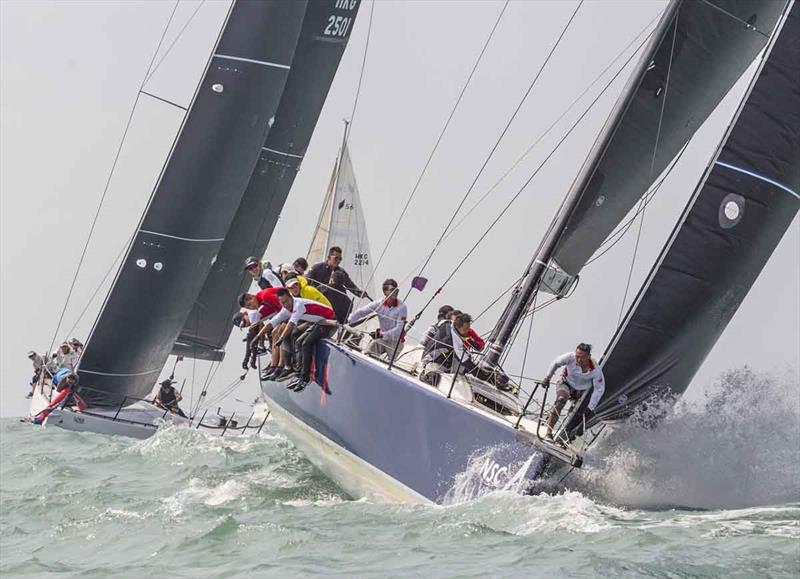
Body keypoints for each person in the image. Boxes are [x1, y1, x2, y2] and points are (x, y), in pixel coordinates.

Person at [263, 289, 336, 392]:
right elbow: (273, 321)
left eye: (286, 301)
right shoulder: (286, 308)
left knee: (306, 343)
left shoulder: (298, 305)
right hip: (318, 323)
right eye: (282, 303)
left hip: (329, 322)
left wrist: (282, 338)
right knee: (298, 342)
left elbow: (291, 324)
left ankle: (305, 378)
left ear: (291, 297)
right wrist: (258, 336)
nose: (285, 305)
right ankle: (298, 374)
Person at [421, 313, 508, 388]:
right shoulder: (455, 341)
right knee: (433, 379)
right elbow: (467, 363)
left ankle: (492, 377)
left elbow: (440, 324)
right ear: (458, 326)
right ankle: (424, 373)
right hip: (432, 361)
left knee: (463, 368)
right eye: (465, 329)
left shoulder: (448, 323)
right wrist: (484, 377)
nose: (467, 332)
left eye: (468, 329)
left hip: (445, 359)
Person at [542, 343, 605, 440]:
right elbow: (555, 363)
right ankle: (548, 433)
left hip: (581, 392)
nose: (579, 360)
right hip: (565, 383)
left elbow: (599, 389)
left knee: (579, 415)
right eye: (577, 356)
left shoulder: (595, 370)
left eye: (582, 357)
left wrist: (590, 408)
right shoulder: (570, 357)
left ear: (589, 356)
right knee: (561, 400)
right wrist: (548, 378)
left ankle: (565, 440)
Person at [348, 278, 407, 358]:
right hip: (382, 339)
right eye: (393, 290)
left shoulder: (402, 307)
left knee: (389, 364)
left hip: (395, 342)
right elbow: (361, 312)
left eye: (397, 290)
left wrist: (382, 334)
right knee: (367, 354)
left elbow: (399, 329)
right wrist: (348, 321)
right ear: (385, 292)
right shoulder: (378, 303)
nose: (396, 292)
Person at [306, 246, 371, 304]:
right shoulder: (317, 267)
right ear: (329, 258)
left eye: (340, 259)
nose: (338, 261)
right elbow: (308, 281)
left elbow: (351, 286)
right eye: (336, 258)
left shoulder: (341, 272)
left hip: (332, 304)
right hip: (317, 300)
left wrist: (360, 293)